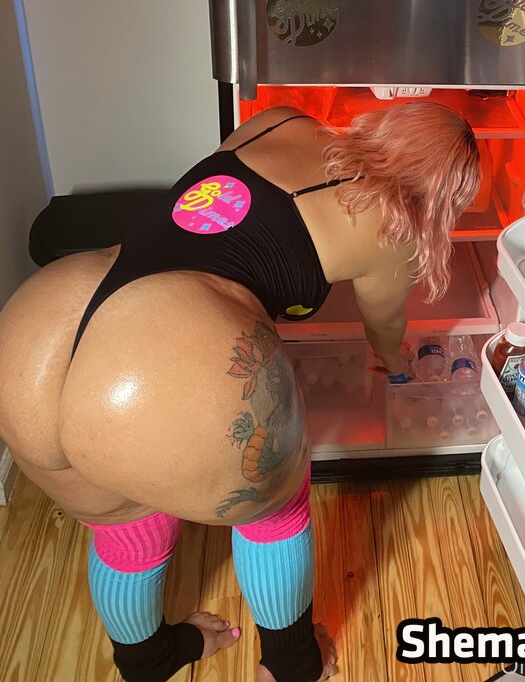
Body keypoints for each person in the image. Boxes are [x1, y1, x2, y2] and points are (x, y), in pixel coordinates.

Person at [0, 101, 480, 682]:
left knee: (125, 529)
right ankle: (291, 666)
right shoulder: (394, 230)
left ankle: (148, 660)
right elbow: (383, 327)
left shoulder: (281, 120)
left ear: (384, 122)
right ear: (443, 196)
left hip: (45, 326)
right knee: (277, 513)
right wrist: (396, 364)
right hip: (172, 351)